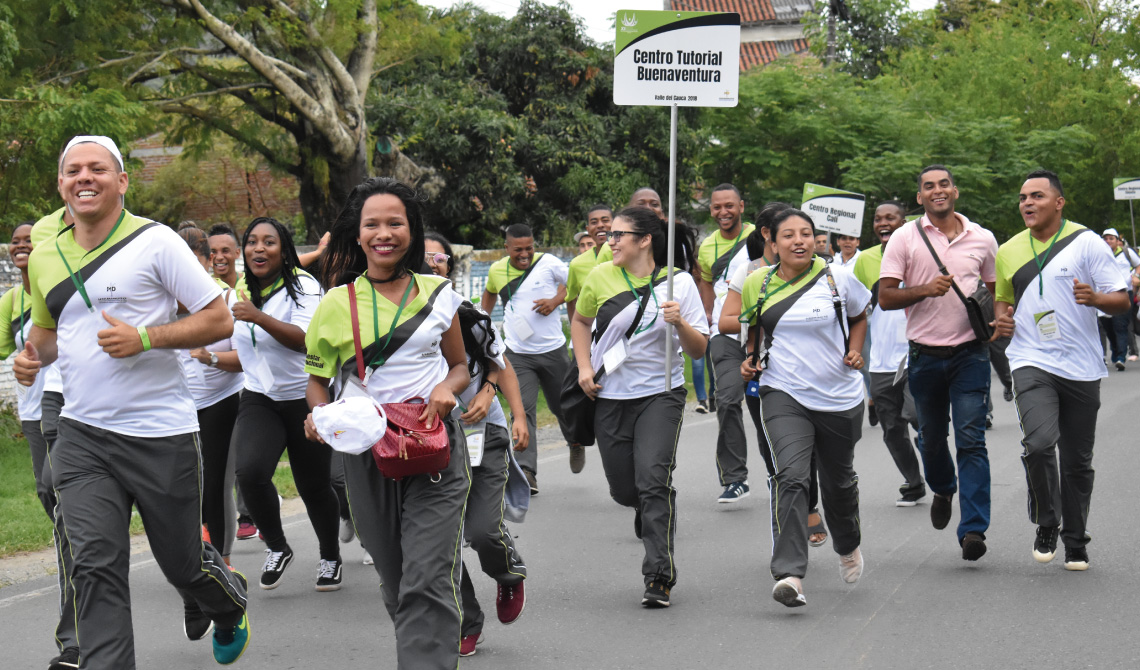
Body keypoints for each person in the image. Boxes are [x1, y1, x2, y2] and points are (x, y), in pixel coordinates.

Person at [14, 135, 248, 667]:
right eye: (73, 170)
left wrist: (147, 338)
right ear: (61, 185)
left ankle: (227, 601)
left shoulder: (156, 242)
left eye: (98, 168)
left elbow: (218, 318)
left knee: (182, 565)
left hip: (159, 432)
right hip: (82, 435)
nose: (84, 177)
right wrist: (31, 356)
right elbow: (49, 336)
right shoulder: (47, 255)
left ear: (121, 181)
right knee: (94, 567)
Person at [303, 177, 471, 669]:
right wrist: (316, 416)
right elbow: (317, 382)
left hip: (435, 446)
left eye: (395, 223)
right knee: (398, 582)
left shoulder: (439, 294)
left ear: (411, 231)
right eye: (372, 224)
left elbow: (459, 365)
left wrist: (447, 388)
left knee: (427, 576)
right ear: (357, 236)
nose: (384, 233)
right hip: (369, 454)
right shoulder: (335, 304)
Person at [571, 205, 708, 608]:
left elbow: (699, 350)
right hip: (610, 396)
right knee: (624, 489)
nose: (608, 241)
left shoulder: (678, 284)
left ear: (644, 240)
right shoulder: (601, 276)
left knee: (653, 480)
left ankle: (659, 575)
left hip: (661, 395)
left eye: (617, 235)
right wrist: (583, 367)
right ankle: (646, 506)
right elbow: (580, 322)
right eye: (608, 235)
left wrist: (680, 322)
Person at [994, 170, 1129, 571]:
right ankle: (1047, 520)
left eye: (1036, 195)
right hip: (1030, 359)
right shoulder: (1009, 250)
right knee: (1038, 444)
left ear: (1059, 202)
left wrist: (1096, 297)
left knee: (1077, 460)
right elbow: (1003, 301)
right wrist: (1001, 321)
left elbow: (1121, 301)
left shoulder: (1087, 243)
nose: (1027, 203)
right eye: (1022, 197)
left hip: (1082, 364)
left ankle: (1076, 539)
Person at [737, 208, 870, 608]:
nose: (799, 241)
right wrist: (749, 359)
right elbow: (755, 332)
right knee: (791, 477)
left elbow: (860, 315)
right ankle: (791, 574)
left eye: (806, 234)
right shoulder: (756, 283)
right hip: (783, 392)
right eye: (789, 235)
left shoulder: (838, 279)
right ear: (772, 243)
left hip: (838, 397)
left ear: (817, 241)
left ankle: (847, 544)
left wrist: (854, 350)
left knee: (838, 481)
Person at [879, 164, 999, 561]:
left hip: (970, 354)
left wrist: (997, 320)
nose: (937, 191)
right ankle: (944, 488)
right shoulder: (904, 238)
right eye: (928, 187)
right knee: (931, 439)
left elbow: (993, 291)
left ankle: (974, 530)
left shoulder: (981, 238)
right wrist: (925, 290)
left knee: (971, 439)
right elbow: (886, 297)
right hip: (924, 356)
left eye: (943, 184)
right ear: (920, 197)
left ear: (955, 191)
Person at [423, 232, 532, 656]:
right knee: (442, 542)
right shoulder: (392, 317)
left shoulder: (466, 314)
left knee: (483, 530)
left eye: (439, 257)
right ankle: (466, 620)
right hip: (426, 442)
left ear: (449, 265)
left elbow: (499, 364)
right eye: (424, 256)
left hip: (480, 434)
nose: (432, 263)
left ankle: (507, 571)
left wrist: (517, 414)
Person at [230, 216, 343, 590]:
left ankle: (329, 556)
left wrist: (258, 317)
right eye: (251, 242)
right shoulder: (241, 286)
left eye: (269, 242)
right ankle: (278, 546)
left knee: (312, 486)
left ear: (284, 251)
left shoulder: (304, 287)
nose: (258, 249)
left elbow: (305, 341)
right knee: (249, 472)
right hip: (259, 396)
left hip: (303, 397)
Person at [0, 222, 77, 670]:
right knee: (51, 494)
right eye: (17, 241)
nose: (23, 246)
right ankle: (77, 639)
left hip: (78, 404)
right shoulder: (13, 300)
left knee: (65, 498)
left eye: (32, 240)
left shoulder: (70, 278)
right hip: (35, 411)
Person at [481, 224, 574, 491]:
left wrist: (555, 300)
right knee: (523, 411)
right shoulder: (497, 269)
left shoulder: (549, 263)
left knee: (563, 406)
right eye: (518, 249)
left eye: (529, 248)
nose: (525, 254)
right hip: (517, 354)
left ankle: (574, 441)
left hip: (553, 350)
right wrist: (482, 325)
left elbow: (574, 283)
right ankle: (526, 471)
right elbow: (489, 294)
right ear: (507, 248)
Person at [176, 225, 245, 566]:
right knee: (183, 482)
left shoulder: (227, 300)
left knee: (215, 480)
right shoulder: (162, 302)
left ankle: (222, 557)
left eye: (194, 260)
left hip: (222, 401)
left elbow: (244, 359)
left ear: (205, 262)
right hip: (178, 406)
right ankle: (192, 551)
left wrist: (211, 357)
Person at [853, 201, 927, 506]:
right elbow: (857, 310)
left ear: (903, 222)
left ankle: (939, 471)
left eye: (890, 218)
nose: (883, 223)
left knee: (919, 420)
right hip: (882, 360)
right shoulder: (865, 261)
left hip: (918, 353)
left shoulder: (922, 252)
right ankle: (913, 481)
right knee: (892, 429)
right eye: (878, 218)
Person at [695, 184, 755, 501]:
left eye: (729, 205)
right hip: (725, 334)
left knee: (764, 406)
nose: (723, 212)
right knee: (728, 399)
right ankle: (735, 478)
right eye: (717, 207)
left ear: (741, 206)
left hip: (762, 333)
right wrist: (707, 313)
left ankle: (783, 469)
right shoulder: (707, 246)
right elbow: (705, 280)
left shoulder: (760, 236)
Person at [565, 203, 614, 323]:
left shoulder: (629, 256)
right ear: (588, 229)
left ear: (615, 224)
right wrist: (576, 331)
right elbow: (571, 299)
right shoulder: (577, 264)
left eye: (605, 220)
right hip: (594, 332)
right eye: (594, 222)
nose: (600, 225)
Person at [1098, 228, 1138, 370]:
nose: (1108, 241)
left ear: (1117, 241)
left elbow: (1138, 265)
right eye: (1105, 239)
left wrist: (1136, 277)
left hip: (1124, 293)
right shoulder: (1099, 254)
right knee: (1108, 327)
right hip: (1105, 295)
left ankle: (1121, 357)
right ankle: (1115, 351)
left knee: (1120, 325)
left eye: (1111, 239)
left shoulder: (1127, 253)